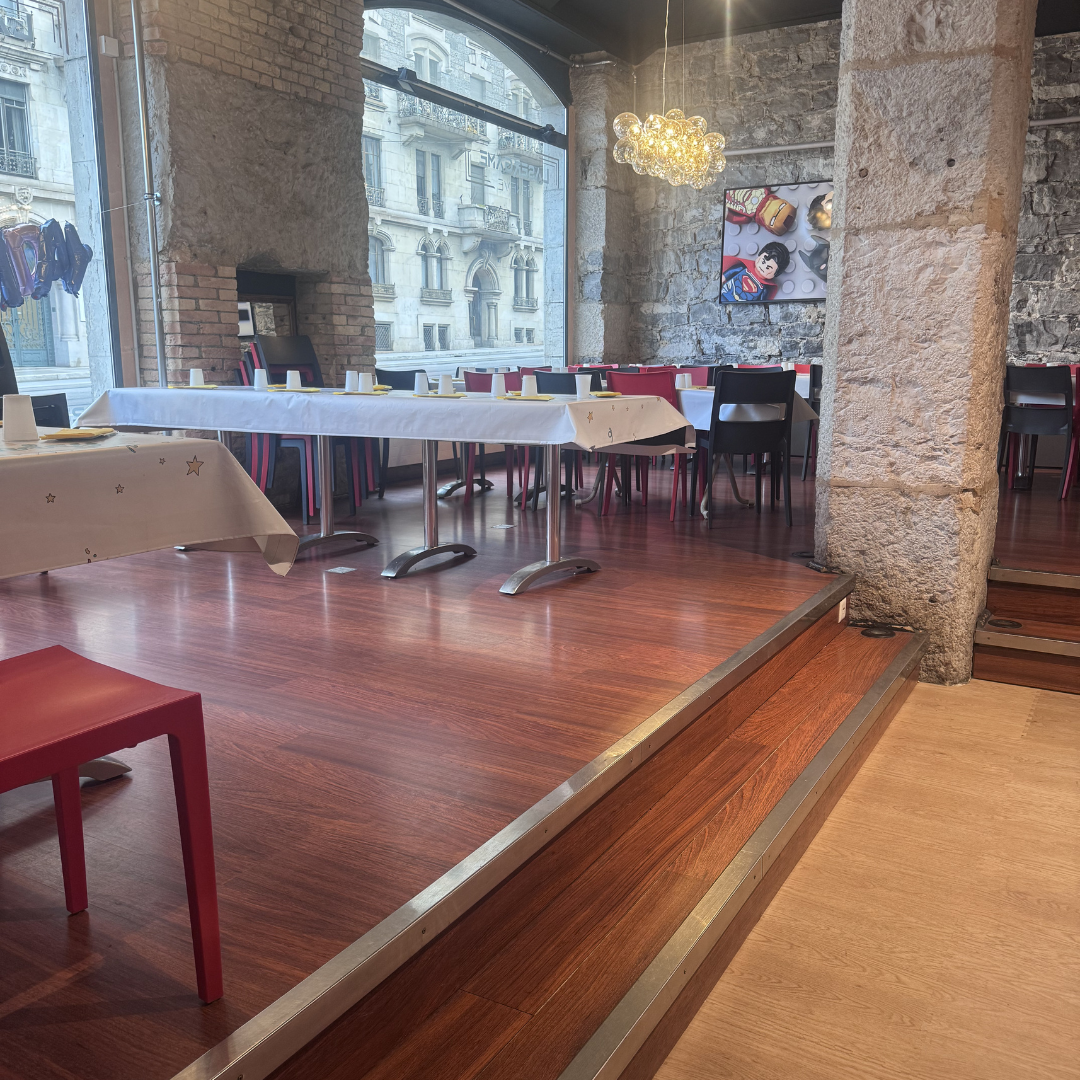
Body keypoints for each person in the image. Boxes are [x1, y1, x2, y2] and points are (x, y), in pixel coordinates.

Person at [719, 242, 791, 302]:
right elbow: (730, 273)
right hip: (726, 292)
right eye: (763, 261)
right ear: (759, 256)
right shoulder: (742, 268)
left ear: (776, 273)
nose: (763, 267)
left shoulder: (764, 289)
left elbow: (761, 303)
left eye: (768, 268)